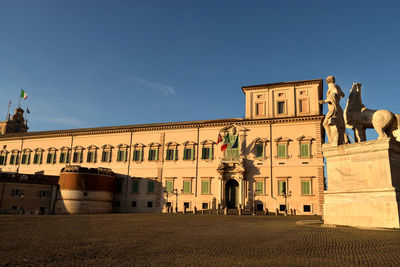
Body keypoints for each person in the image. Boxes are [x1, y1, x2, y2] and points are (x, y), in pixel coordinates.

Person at [319, 76, 346, 145]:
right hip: (337, 108)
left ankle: (331, 140)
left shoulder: (332, 86)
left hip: (333, 108)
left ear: (328, 81)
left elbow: (335, 93)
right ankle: (338, 139)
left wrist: (324, 101)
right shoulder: (337, 86)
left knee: (325, 123)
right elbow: (343, 95)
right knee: (337, 124)